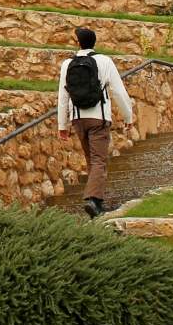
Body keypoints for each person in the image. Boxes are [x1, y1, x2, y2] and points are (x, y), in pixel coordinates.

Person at [57, 25, 133, 218]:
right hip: (99, 117)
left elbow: (63, 97)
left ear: (78, 43)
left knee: (92, 160)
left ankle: (96, 202)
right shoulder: (105, 61)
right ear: (94, 42)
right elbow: (118, 91)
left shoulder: (67, 64)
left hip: (78, 119)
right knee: (99, 160)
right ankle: (93, 200)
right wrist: (128, 117)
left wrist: (62, 125)